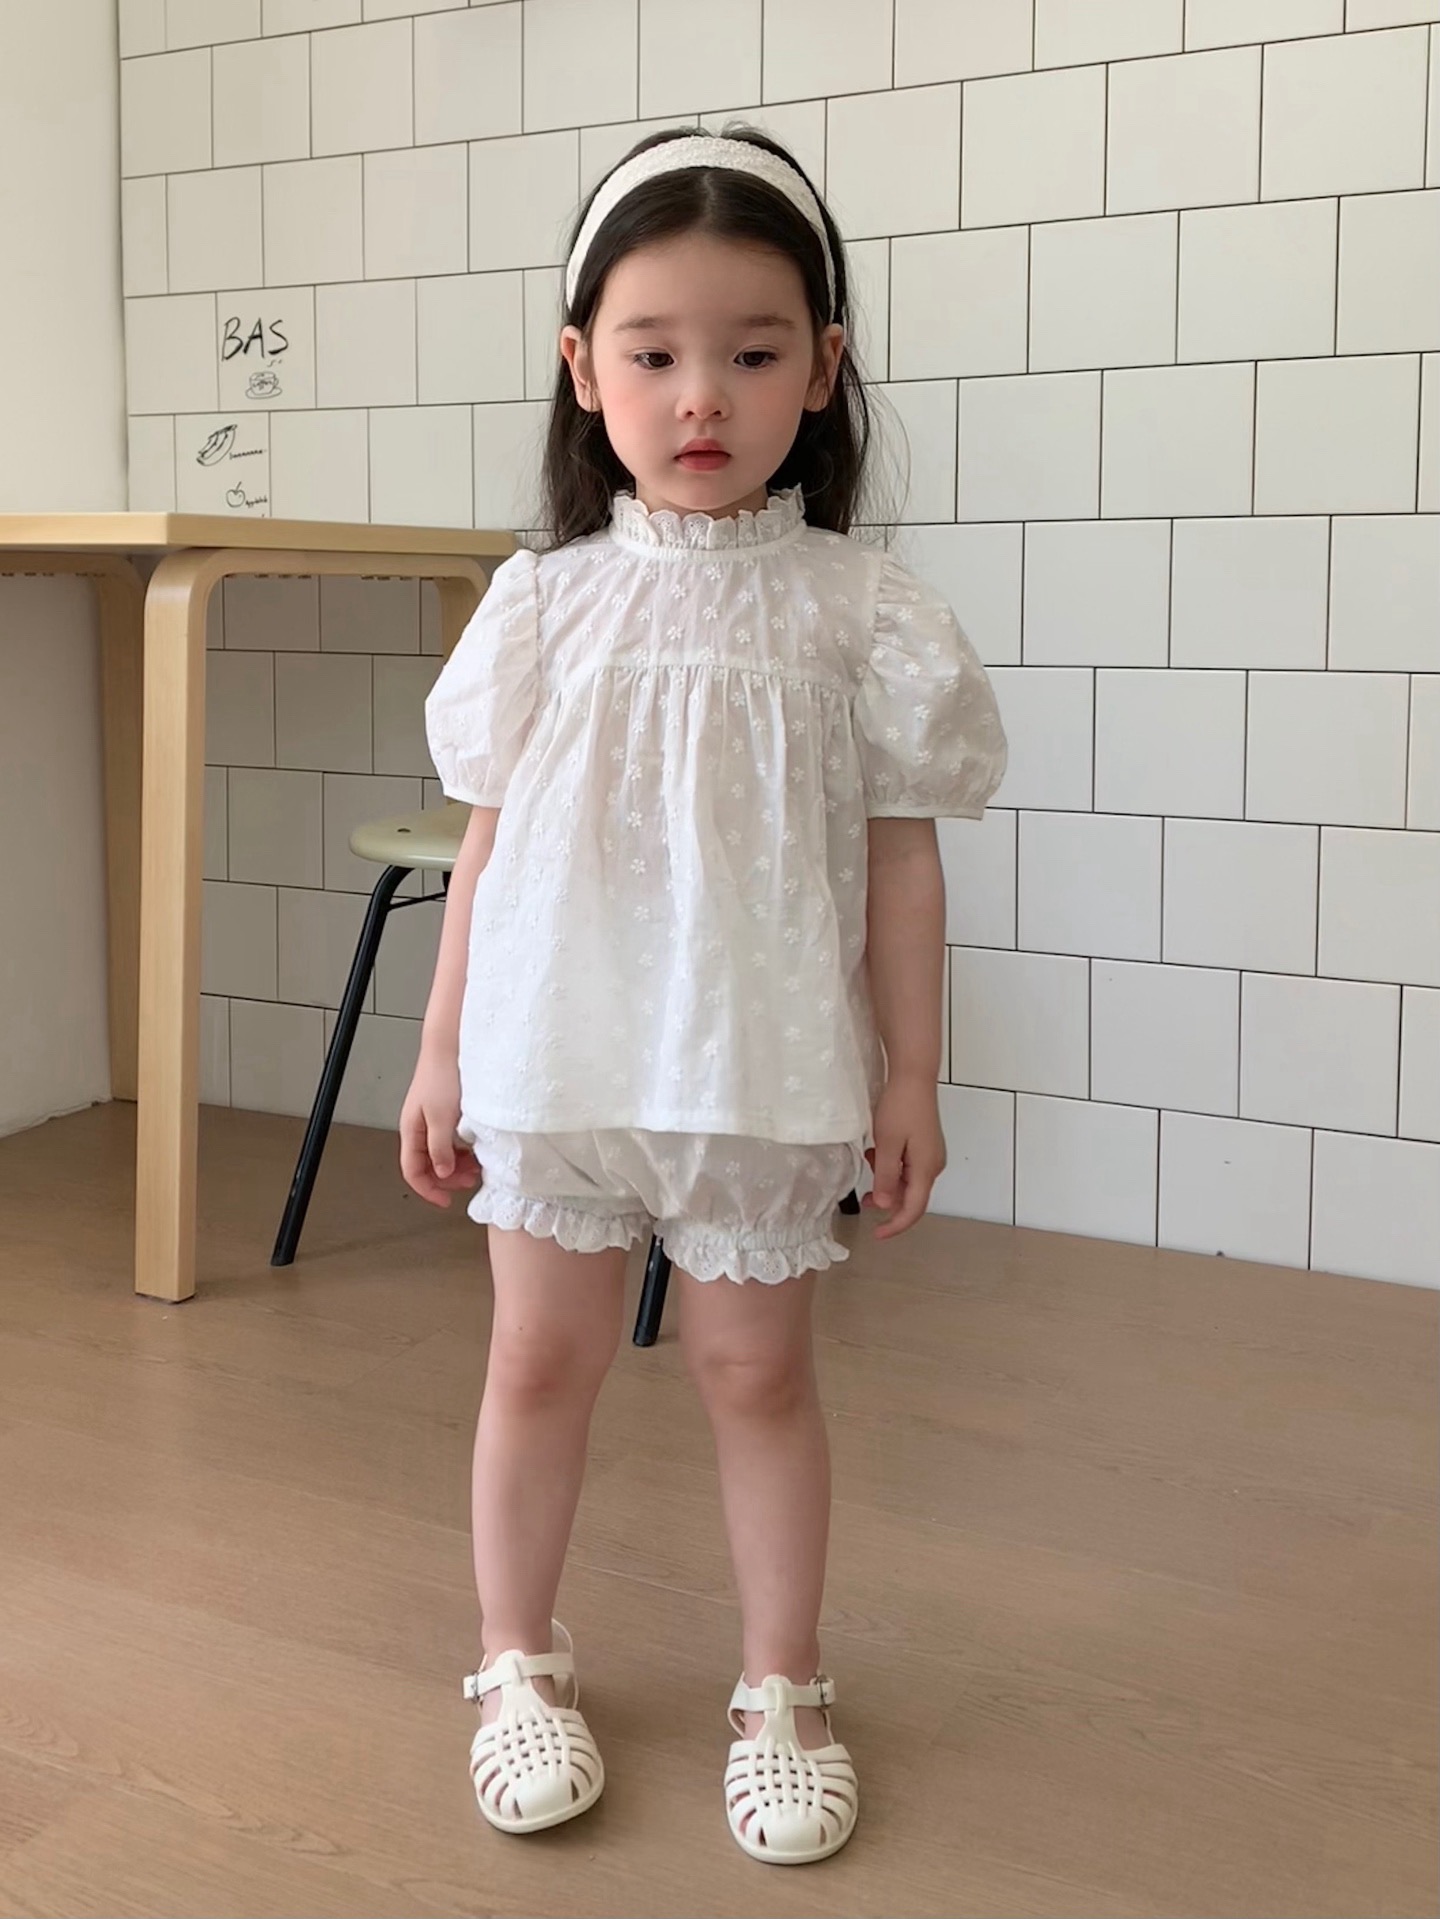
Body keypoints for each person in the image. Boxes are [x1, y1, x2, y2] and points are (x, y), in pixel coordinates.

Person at [401, 125, 1006, 1866]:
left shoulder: (862, 612)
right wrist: (440, 1052)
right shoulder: (542, 606)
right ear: (583, 368)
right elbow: (485, 853)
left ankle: (783, 1689)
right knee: (539, 1360)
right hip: (557, 1053)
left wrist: (911, 1075)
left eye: (750, 354)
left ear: (822, 368)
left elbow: (903, 863)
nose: (700, 399)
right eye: (655, 354)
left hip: (760, 1060)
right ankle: (517, 1663)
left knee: (756, 1375)